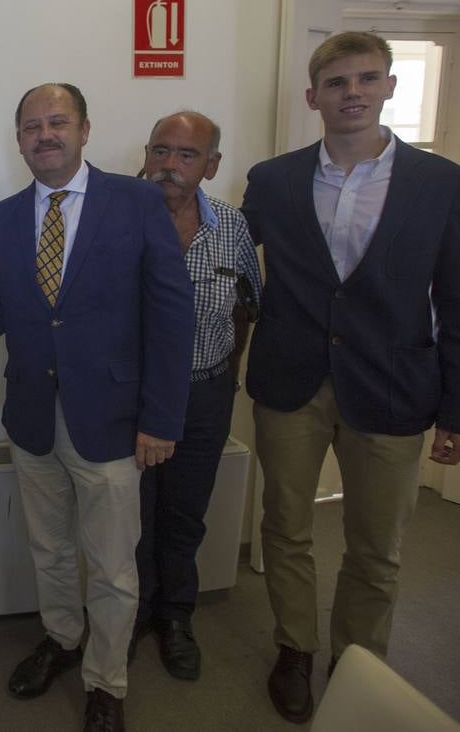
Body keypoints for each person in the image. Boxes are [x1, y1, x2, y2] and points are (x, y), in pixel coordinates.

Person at [0, 83, 194, 732]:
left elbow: (173, 319)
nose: (45, 135)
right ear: (19, 140)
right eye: (31, 126)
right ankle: (63, 641)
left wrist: (162, 420)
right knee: (51, 552)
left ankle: (107, 682)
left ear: (85, 129)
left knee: (114, 568)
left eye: (57, 122)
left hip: (114, 424)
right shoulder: (2, 219)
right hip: (32, 417)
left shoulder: (139, 202)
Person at [242, 31, 460, 724]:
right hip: (292, 382)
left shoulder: (444, 186)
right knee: (285, 525)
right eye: (337, 81)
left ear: (389, 88)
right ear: (312, 95)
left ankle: (358, 664)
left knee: (376, 545)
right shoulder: (273, 179)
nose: (352, 92)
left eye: (366, 79)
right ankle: (294, 646)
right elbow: (228, 264)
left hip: (394, 386)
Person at [129, 111, 261, 681]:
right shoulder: (117, 215)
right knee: (131, 515)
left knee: (185, 514)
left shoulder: (231, 226)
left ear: (212, 165)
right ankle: (130, 614)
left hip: (205, 394)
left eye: (187, 155)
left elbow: (247, 304)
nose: (170, 165)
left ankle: (177, 616)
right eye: (161, 151)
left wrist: (226, 375)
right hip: (131, 399)